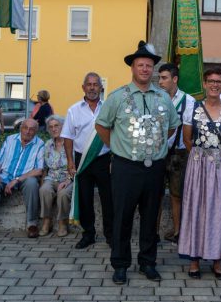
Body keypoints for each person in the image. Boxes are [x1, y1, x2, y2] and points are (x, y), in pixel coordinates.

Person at [95, 41, 180, 284]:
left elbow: (172, 126)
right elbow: (102, 125)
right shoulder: (118, 97)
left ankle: (147, 262)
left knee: (150, 216)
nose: (145, 69)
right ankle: (120, 264)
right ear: (132, 68)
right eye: (140, 65)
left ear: (153, 70)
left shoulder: (163, 97)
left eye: (149, 66)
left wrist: (156, 146)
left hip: (154, 168)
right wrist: (117, 146)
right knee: (122, 217)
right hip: (126, 167)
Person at [178, 68, 221, 280]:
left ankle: (217, 258)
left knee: (219, 209)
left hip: (220, 166)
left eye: (218, 82)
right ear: (204, 84)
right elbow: (187, 138)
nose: (214, 85)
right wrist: (200, 157)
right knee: (195, 207)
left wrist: (218, 156)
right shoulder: (192, 108)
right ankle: (194, 258)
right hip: (197, 164)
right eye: (211, 81)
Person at [62, 72, 113, 248]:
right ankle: (88, 234)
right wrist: (70, 162)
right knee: (85, 198)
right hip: (82, 160)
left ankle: (110, 235)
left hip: (104, 159)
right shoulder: (73, 110)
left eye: (95, 84)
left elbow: (114, 134)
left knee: (109, 199)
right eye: (89, 84)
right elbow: (67, 137)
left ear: (101, 88)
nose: (92, 87)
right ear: (83, 87)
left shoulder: (108, 108)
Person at [0, 119, 45, 238]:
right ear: (21, 128)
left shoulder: (40, 144)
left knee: (32, 183)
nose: (28, 131)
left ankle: (32, 224)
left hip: (24, 177)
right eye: (25, 127)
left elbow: (39, 170)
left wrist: (16, 180)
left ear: (36, 131)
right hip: (5, 176)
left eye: (32, 129)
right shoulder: (10, 139)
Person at [157, 63, 195, 243]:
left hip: (179, 154)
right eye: (159, 78)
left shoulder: (189, 100)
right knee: (154, 193)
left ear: (175, 79)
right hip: (157, 152)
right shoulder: (155, 98)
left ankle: (179, 231)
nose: (160, 81)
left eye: (164, 78)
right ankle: (153, 232)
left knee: (176, 193)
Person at [39, 115, 71, 237]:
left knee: (63, 193)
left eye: (56, 126)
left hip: (68, 178)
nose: (54, 129)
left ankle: (62, 222)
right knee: (44, 190)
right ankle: (46, 221)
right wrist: (42, 181)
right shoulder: (47, 145)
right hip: (51, 177)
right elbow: (44, 168)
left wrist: (67, 180)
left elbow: (76, 166)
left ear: (63, 127)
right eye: (50, 127)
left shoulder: (71, 143)